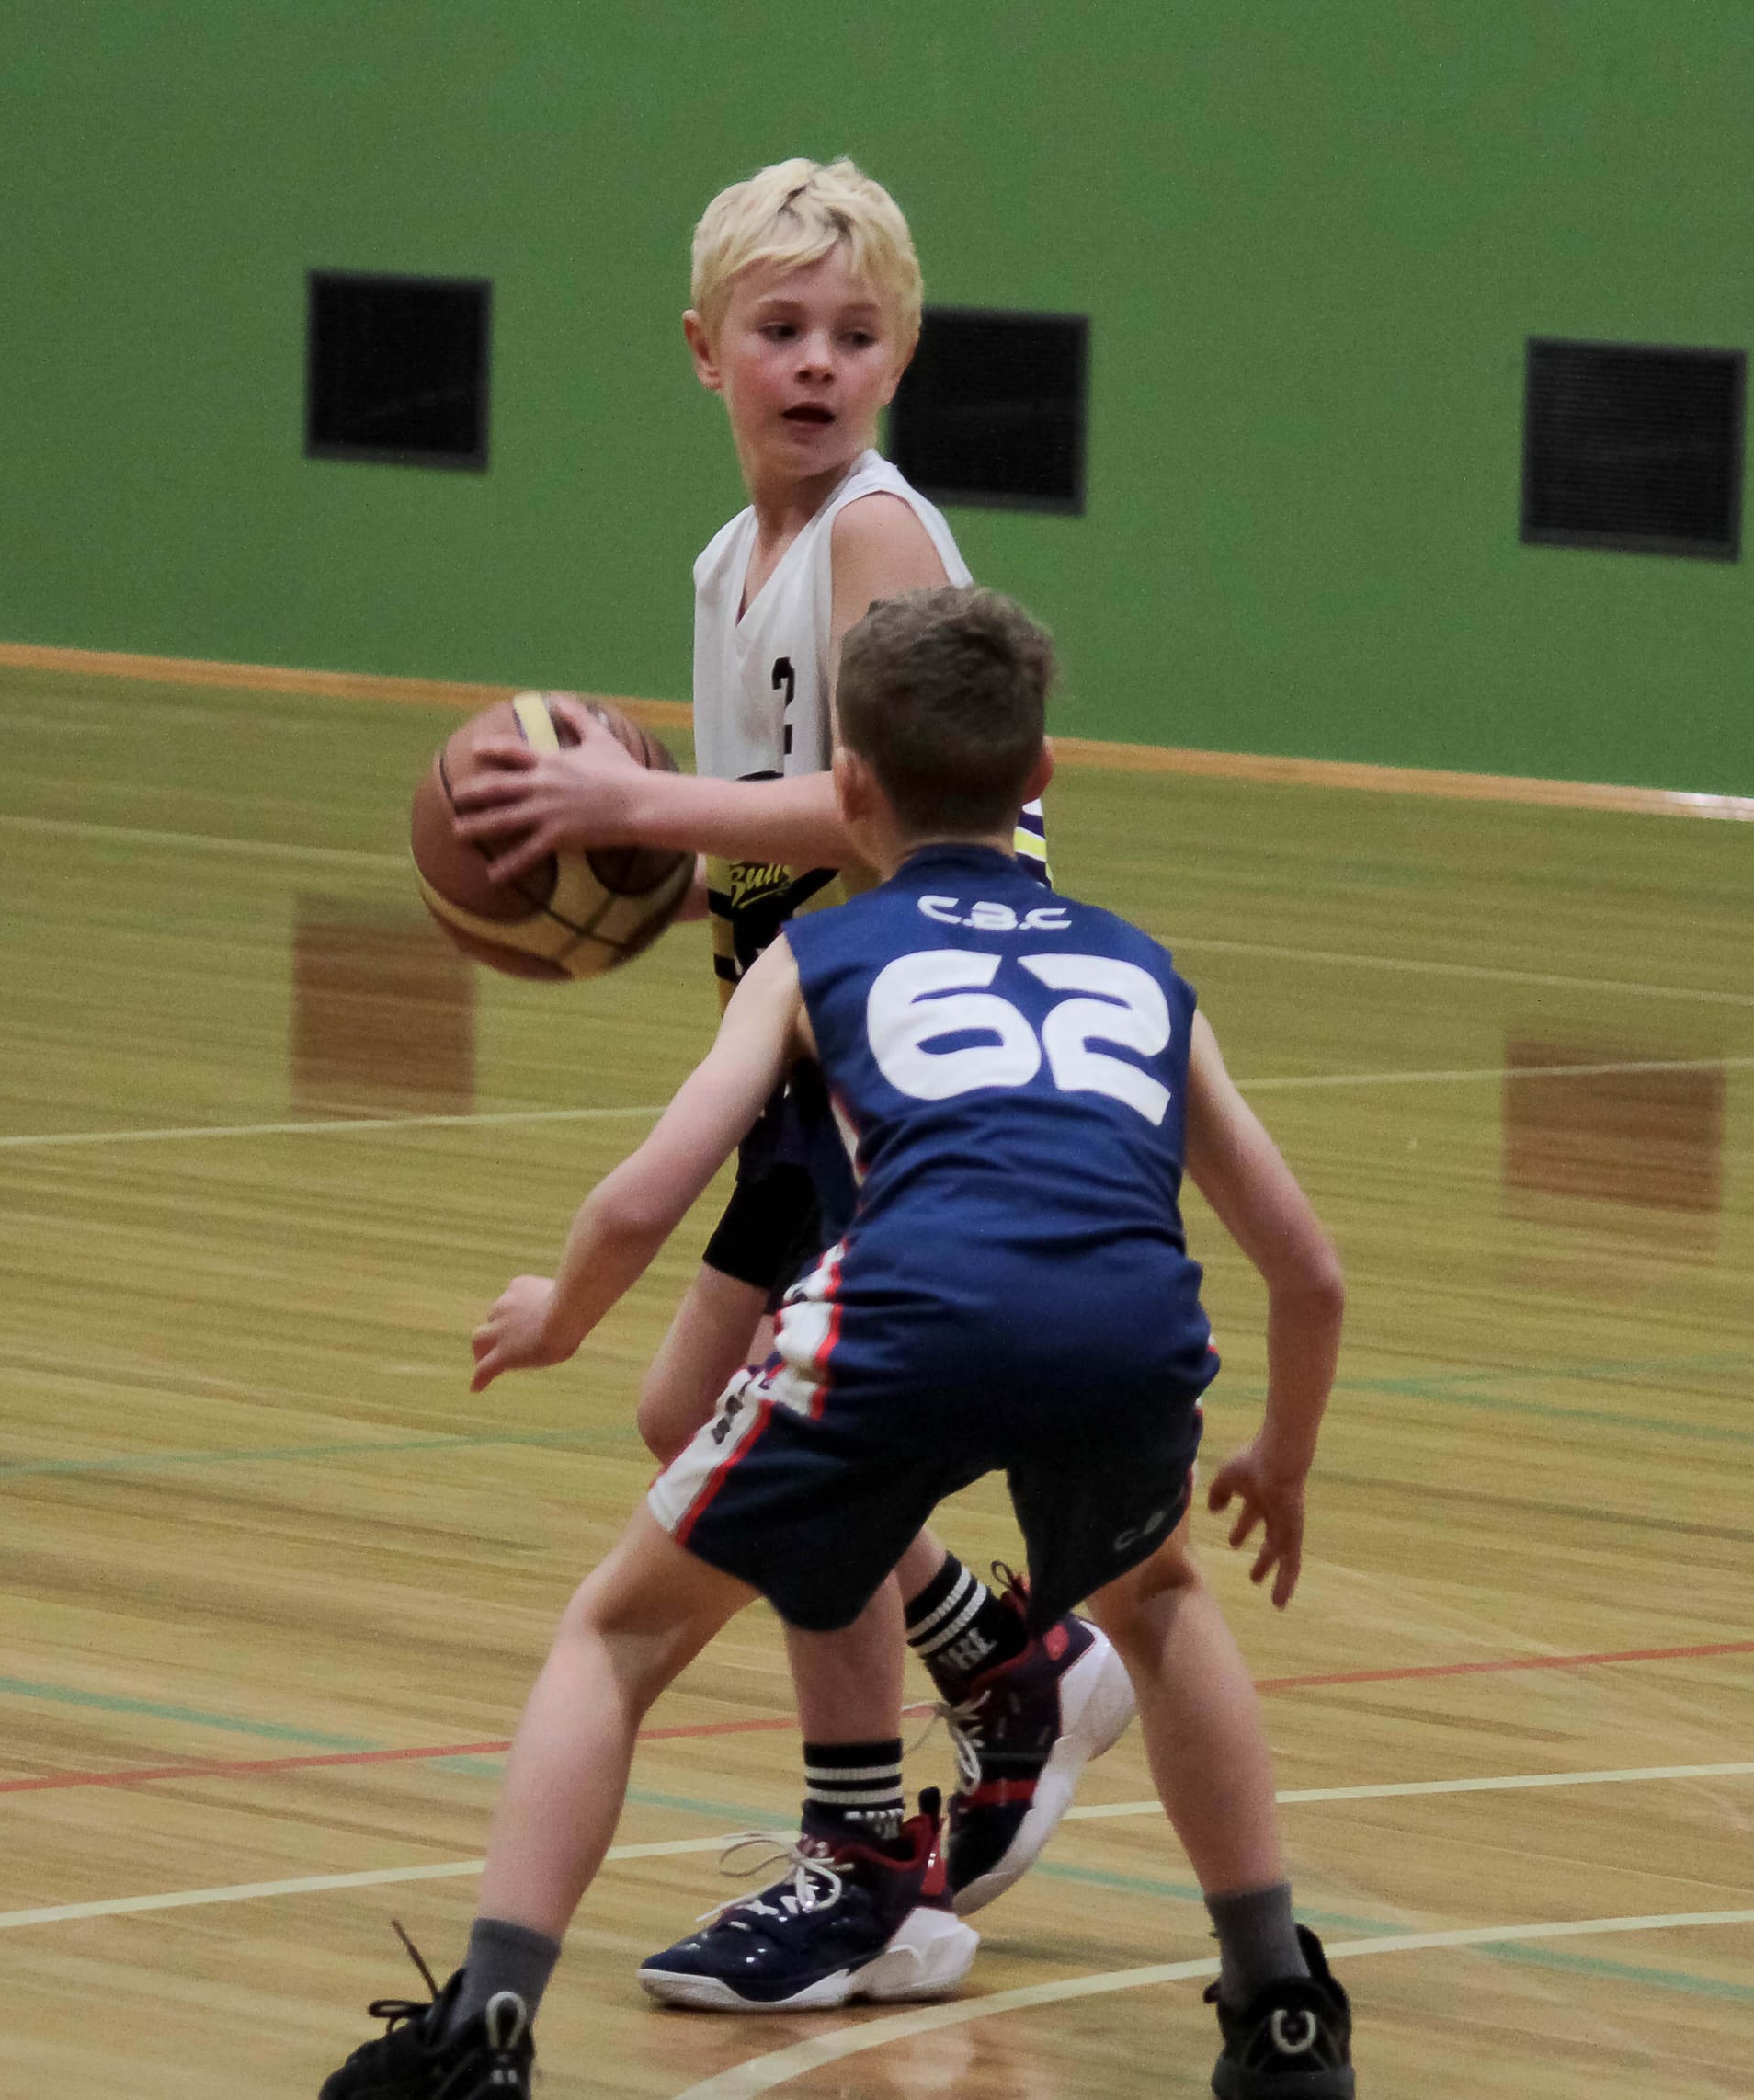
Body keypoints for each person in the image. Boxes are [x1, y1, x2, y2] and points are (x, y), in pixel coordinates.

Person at [319, 587, 1355, 2100]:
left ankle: (482, 2027)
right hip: (1128, 1328)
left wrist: (561, 1314)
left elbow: (645, 1192)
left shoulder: (819, 957)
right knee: (1164, 1604)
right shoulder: (1143, 968)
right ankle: (1279, 2007)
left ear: (846, 788)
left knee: (616, 1636)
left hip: (906, 1316)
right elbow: (1310, 1272)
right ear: (1041, 775)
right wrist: (1285, 1457)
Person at [448, 154, 1129, 1972]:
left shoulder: (874, 538)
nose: (816, 361)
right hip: (808, 1040)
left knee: (798, 1445)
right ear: (705, 352)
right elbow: (777, 840)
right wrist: (630, 883)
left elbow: (867, 811)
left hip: (915, 1046)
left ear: (897, 357)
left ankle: (865, 1856)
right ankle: (1005, 1657)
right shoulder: (725, 561)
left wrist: (628, 808)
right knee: (696, 1414)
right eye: (779, 329)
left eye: (853, 331)